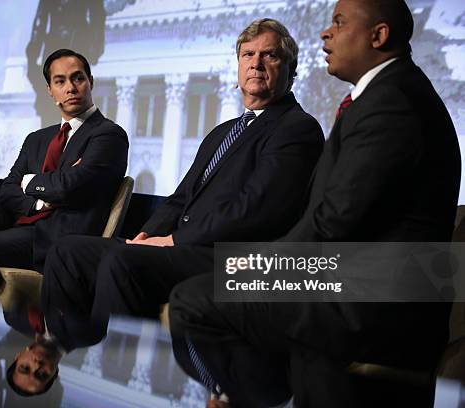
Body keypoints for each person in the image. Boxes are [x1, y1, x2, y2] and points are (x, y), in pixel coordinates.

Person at [168, 1, 462, 407]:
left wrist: (257, 265)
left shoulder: (392, 102)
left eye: (339, 23)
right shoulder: (387, 93)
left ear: (378, 36)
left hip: (379, 303)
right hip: (355, 284)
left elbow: (333, 222)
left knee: (193, 300)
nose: (326, 33)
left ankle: (252, 396)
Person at [41, 19, 324, 348]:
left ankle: (108, 360)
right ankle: (68, 353)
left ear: (291, 68)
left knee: (123, 262)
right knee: (67, 252)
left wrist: (173, 240)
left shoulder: (297, 128)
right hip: (184, 246)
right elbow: (180, 198)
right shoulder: (223, 132)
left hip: (230, 258)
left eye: (270, 55)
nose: (256, 63)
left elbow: (254, 209)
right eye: (248, 54)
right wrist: (147, 235)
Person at [0, 49, 128, 270]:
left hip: (54, 236)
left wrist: (29, 182)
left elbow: (68, 186)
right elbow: (7, 191)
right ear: (50, 90)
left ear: (91, 82)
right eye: (60, 81)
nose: (70, 88)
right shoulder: (37, 139)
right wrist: (39, 202)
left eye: (78, 78)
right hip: (17, 220)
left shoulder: (108, 134)